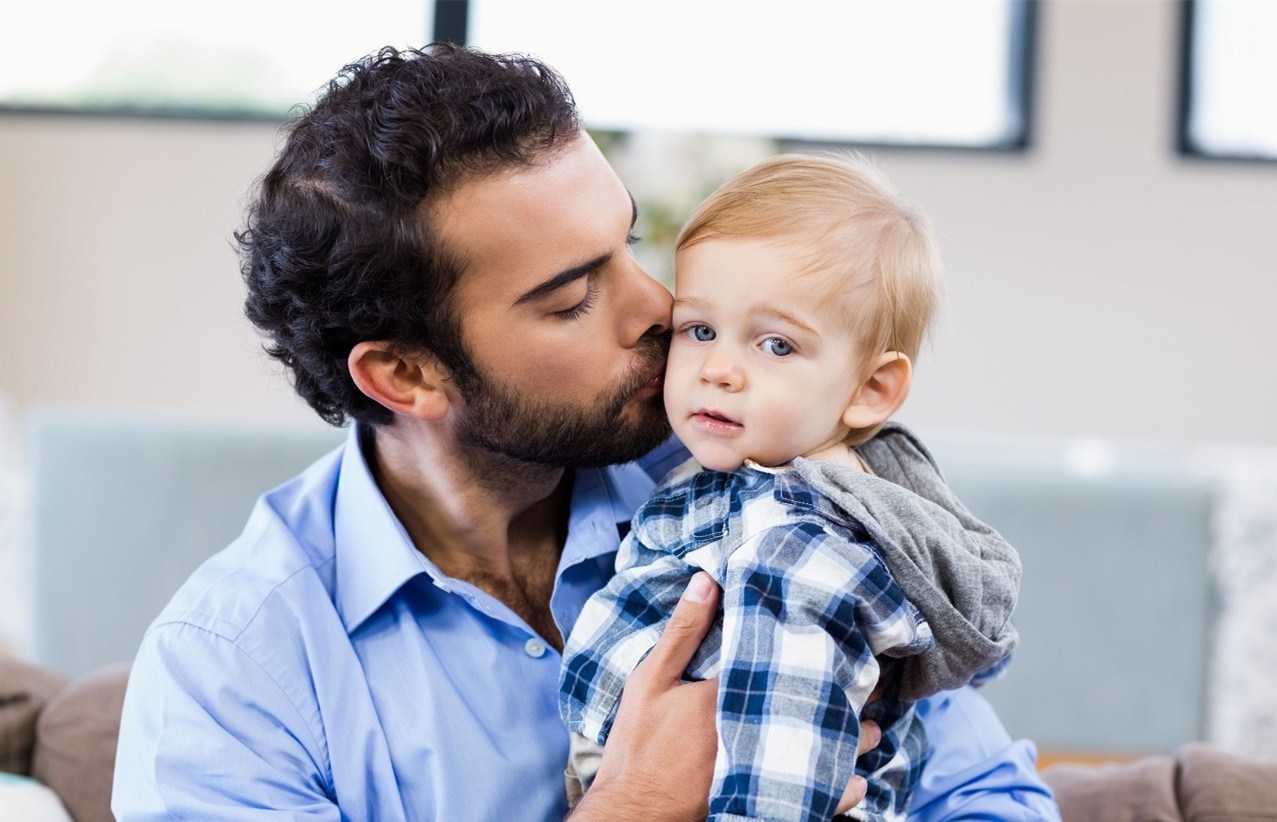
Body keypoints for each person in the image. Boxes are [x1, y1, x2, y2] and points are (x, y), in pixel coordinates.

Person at [111, 45, 1059, 821]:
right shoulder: (234, 672)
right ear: (405, 374)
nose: (657, 306)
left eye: (630, 243)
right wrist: (635, 805)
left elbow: (991, 798)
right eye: (571, 298)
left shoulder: (759, 476)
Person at [560, 155, 1020, 822]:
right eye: (699, 329)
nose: (718, 369)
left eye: (774, 346)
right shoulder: (737, 475)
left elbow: (778, 773)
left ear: (870, 390)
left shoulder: (798, 552)